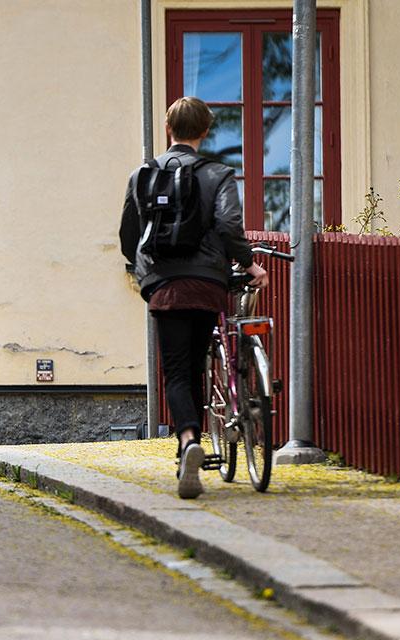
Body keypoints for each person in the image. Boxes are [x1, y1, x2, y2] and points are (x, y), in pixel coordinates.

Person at [119, 96, 268, 500]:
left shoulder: (142, 175)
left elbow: (129, 236)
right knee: (200, 364)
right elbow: (228, 225)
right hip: (206, 284)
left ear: (169, 129)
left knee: (177, 370)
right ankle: (201, 439)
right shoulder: (218, 174)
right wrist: (248, 264)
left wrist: (142, 273)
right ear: (205, 131)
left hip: (163, 285)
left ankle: (187, 441)